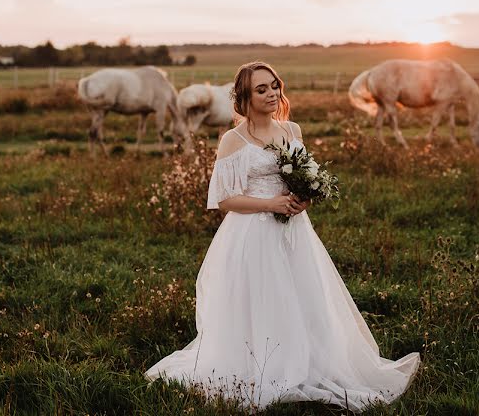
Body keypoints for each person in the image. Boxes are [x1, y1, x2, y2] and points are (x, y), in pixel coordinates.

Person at [145, 61, 420, 411]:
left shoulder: (292, 129)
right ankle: (262, 365)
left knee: (304, 295)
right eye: (261, 89)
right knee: (262, 298)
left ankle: (307, 360)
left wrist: (305, 197)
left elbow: (304, 175)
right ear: (245, 97)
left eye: (274, 86)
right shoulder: (233, 140)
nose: (272, 94)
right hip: (252, 233)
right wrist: (268, 203)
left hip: (296, 232)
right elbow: (225, 199)